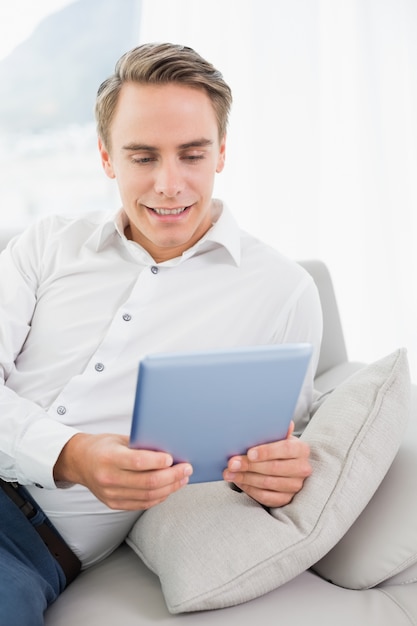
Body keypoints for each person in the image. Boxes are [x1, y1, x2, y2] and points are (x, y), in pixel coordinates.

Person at [0, 43, 322, 624]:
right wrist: (70, 454)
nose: (169, 185)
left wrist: (274, 475)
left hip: (23, 547)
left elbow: (266, 450)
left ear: (222, 152)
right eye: (143, 157)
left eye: (192, 154)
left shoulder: (284, 292)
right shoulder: (46, 245)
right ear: (106, 158)